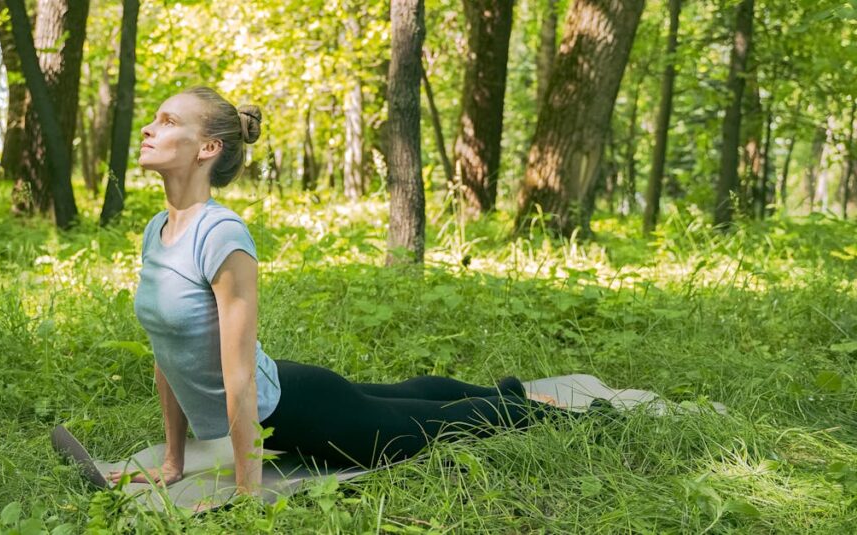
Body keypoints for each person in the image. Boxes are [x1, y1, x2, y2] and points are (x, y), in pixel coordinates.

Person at [106, 87, 579, 498]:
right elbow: (165, 354)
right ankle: (508, 391)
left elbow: (241, 377)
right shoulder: (157, 231)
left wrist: (248, 491)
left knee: (431, 426)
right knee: (403, 394)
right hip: (285, 385)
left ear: (208, 147)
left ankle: (552, 415)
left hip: (304, 411)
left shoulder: (221, 235)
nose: (148, 129)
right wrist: (172, 464)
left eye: (167, 121)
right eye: (153, 119)